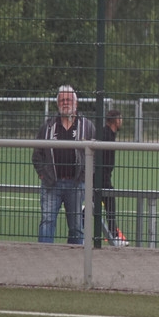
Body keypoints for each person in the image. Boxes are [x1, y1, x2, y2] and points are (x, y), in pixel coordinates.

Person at [31, 85, 96, 244]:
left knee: (76, 227)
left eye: (68, 100)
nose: (65, 103)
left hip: (76, 184)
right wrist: (43, 174)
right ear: (57, 104)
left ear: (76, 103)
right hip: (51, 184)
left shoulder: (87, 126)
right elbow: (37, 154)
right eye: (62, 100)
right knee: (47, 221)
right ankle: (44, 253)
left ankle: (75, 255)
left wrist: (85, 177)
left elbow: (95, 156)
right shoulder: (48, 126)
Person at [99, 109, 128, 247]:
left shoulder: (109, 134)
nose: (121, 121)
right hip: (101, 175)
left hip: (103, 174)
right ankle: (113, 235)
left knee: (101, 202)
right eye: (120, 118)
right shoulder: (106, 135)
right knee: (110, 202)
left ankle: (113, 234)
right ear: (116, 120)